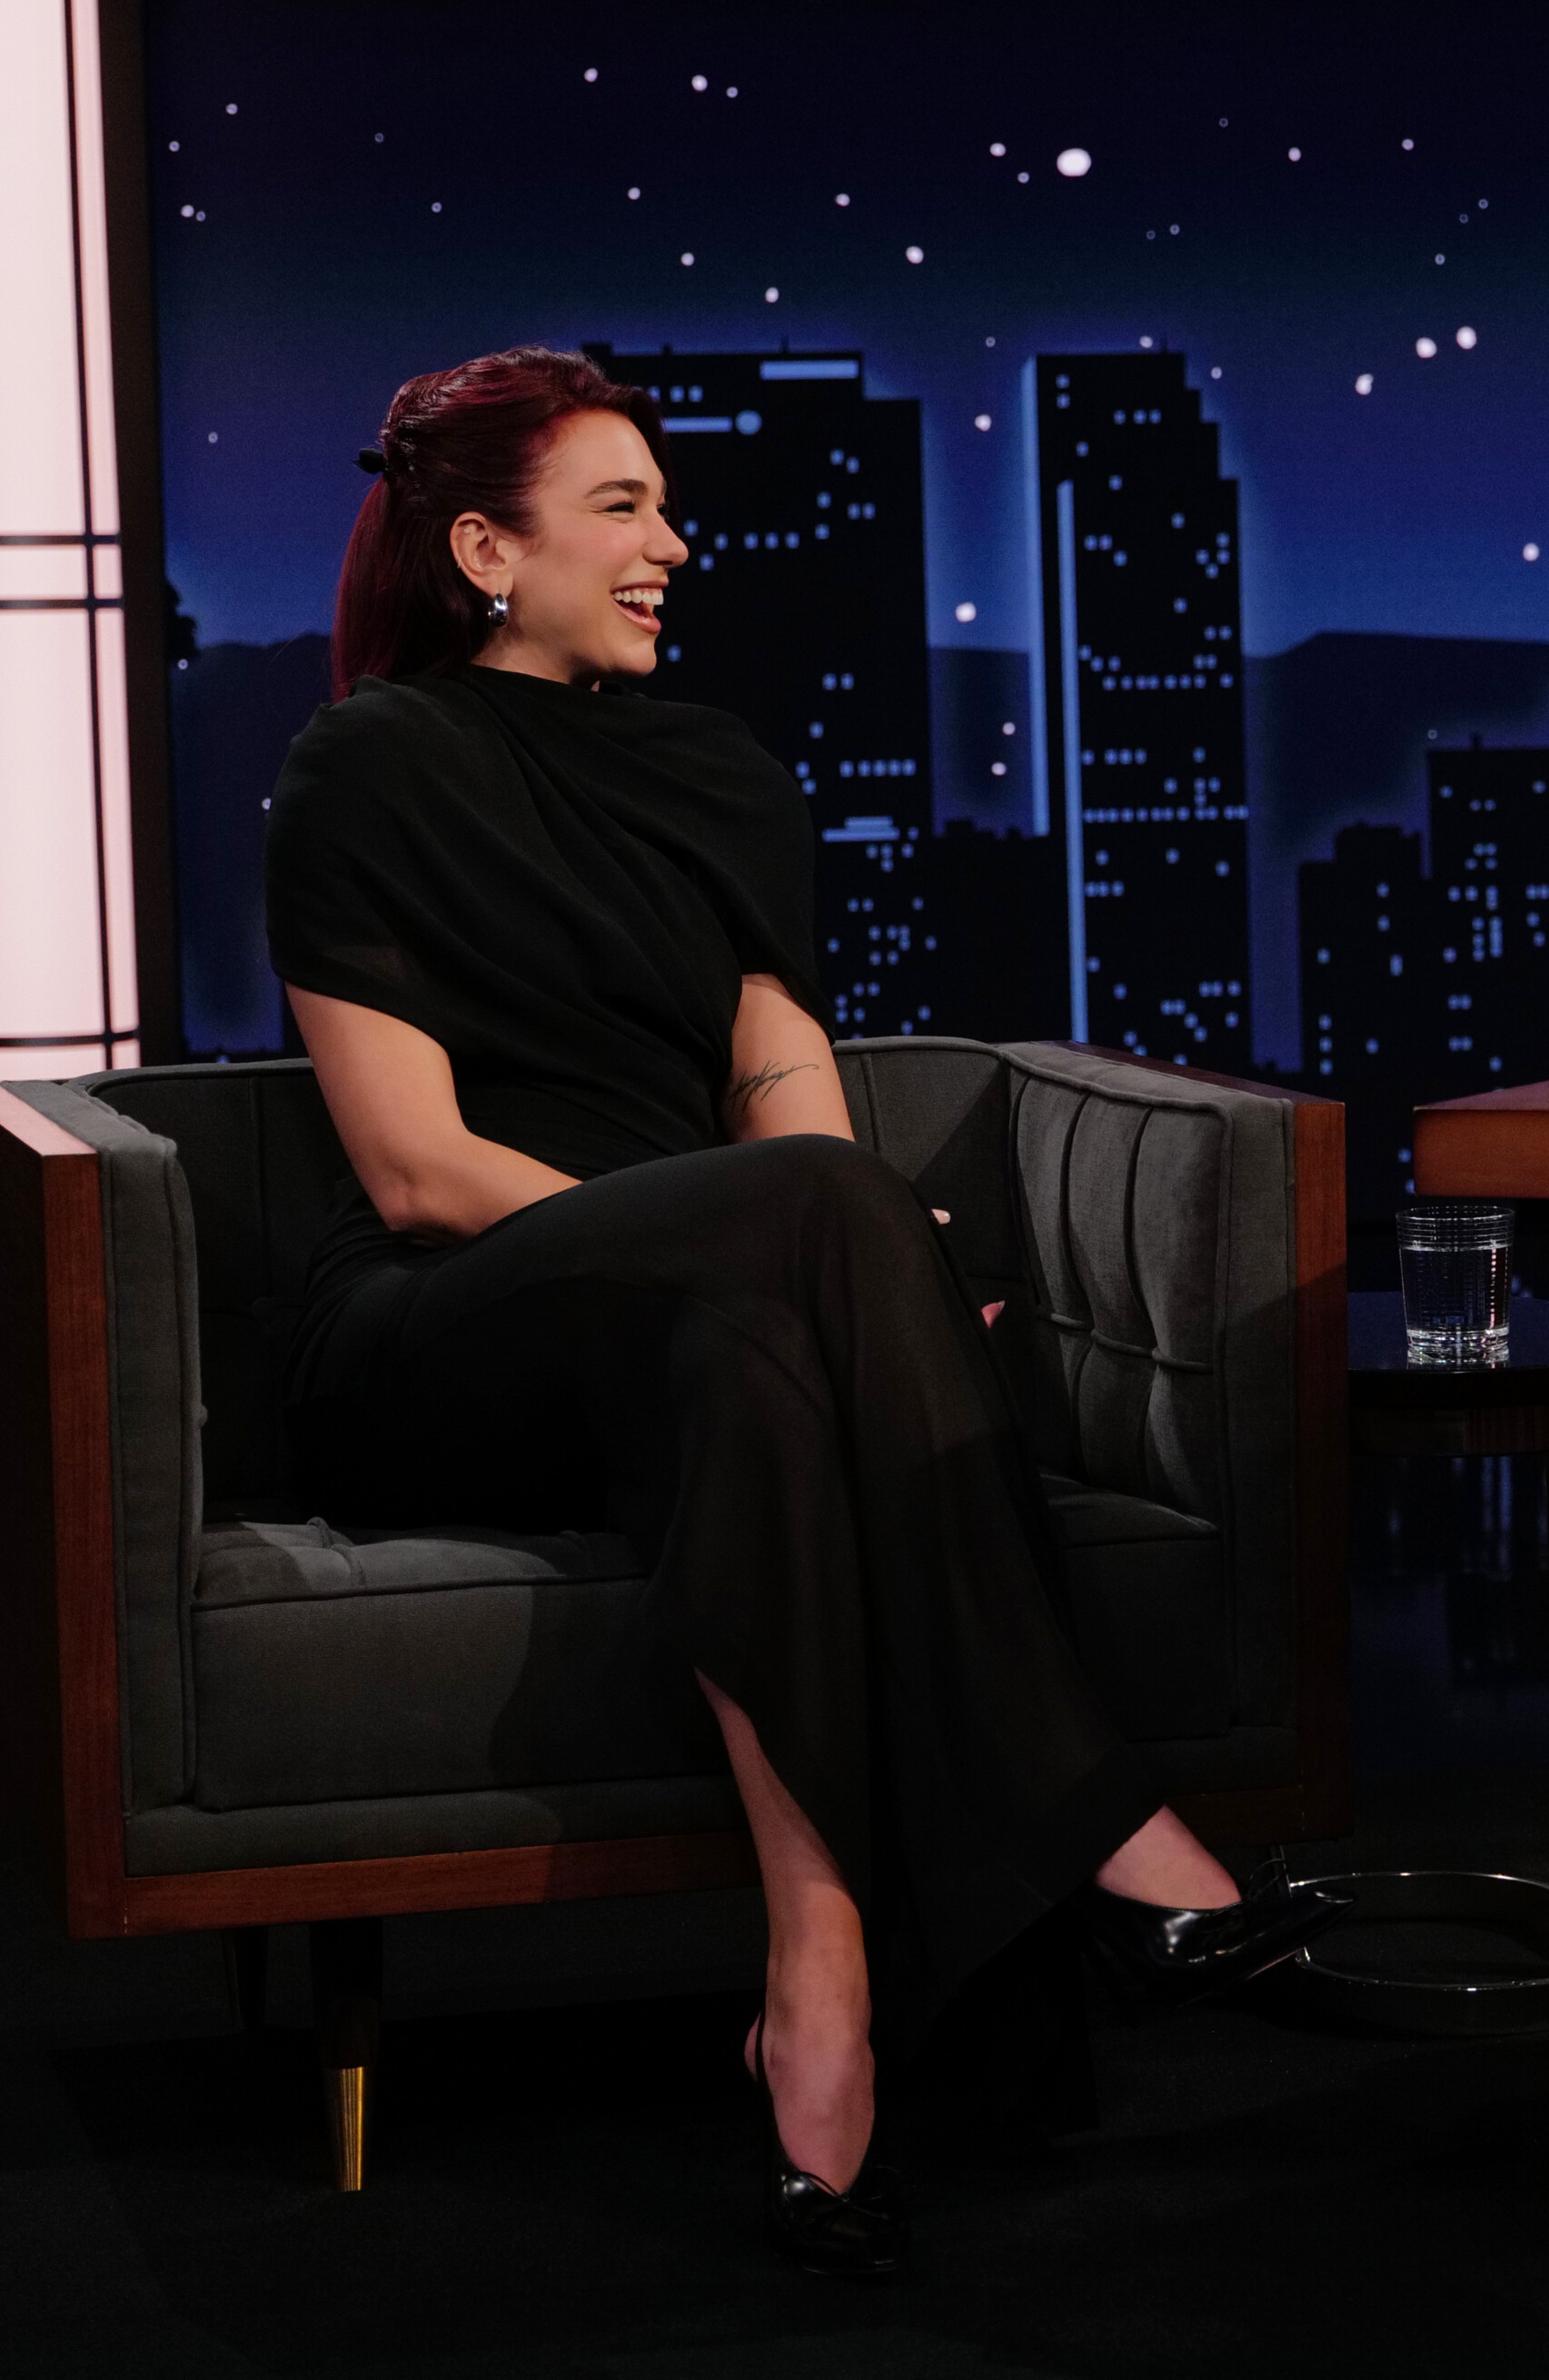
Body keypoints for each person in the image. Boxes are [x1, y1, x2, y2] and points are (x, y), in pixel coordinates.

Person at [263, 347, 1346, 2279]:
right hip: (448, 1323)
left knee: (761, 1354)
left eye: (668, 508)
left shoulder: (719, 772)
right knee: (792, 1250)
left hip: (700, 1326)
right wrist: (765, 1231)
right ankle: (1105, 1826)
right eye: (622, 508)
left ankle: (816, 1988)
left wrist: (826, 1264)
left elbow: (780, 1081)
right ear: (487, 549)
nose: (673, 545)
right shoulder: (367, 766)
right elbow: (418, 1167)